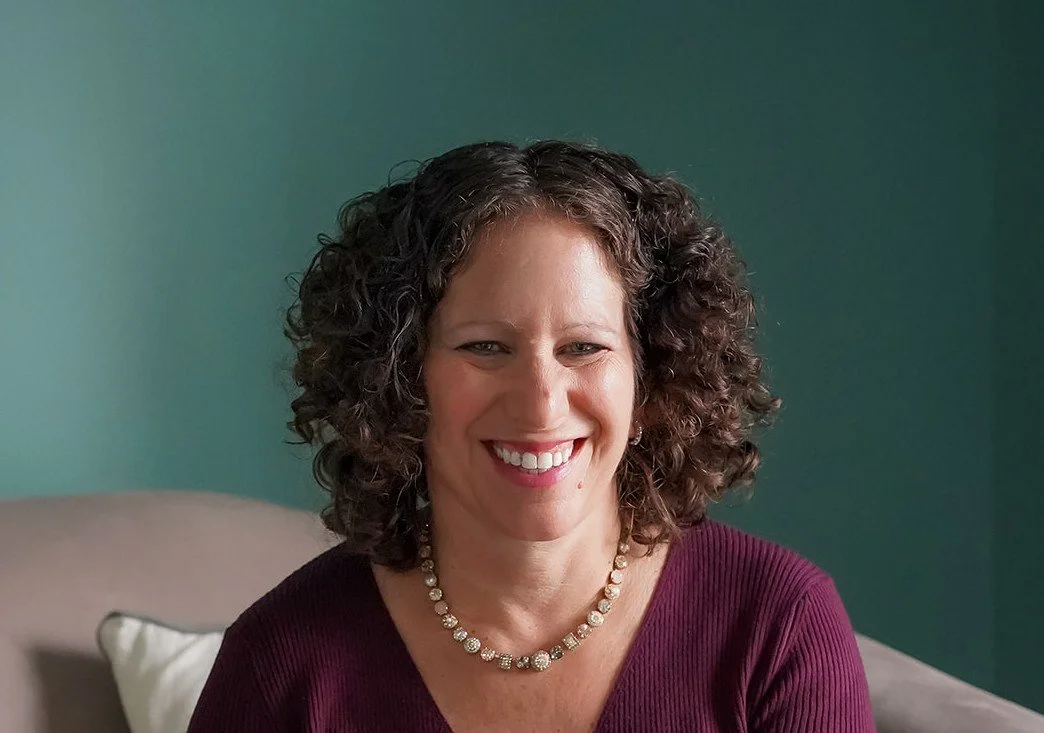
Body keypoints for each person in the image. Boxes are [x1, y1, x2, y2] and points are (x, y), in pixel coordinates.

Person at [187, 140, 875, 732]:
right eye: (486, 346)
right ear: (398, 377)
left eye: (583, 346)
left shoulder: (777, 627)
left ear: (653, 380)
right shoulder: (280, 663)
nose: (541, 400)